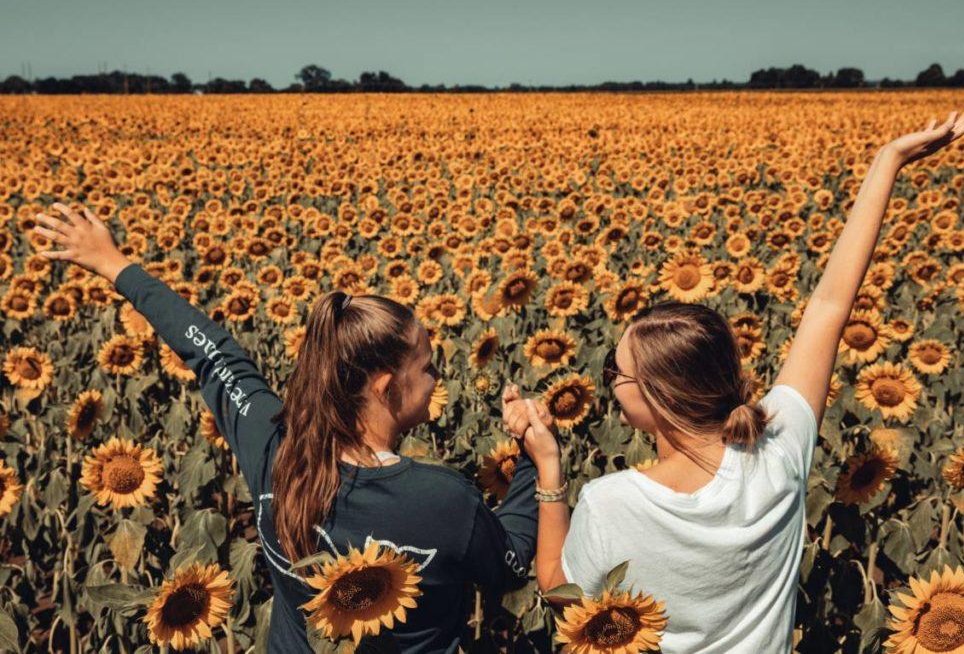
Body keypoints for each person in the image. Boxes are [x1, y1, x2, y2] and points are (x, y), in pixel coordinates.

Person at [504, 110, 964, 652]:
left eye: (616, 371)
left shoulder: (611, 501)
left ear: (654, 395)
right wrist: (888, 161)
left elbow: (559, 592)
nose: (609, 380)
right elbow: (828, 308)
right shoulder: (778, 452)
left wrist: (548, 468)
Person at [30, 204, 564, 653]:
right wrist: (537, 463)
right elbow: (513, 563)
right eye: (426, 366)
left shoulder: (273, 443)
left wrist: (115, 264)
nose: (437, 376)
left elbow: (213, 354)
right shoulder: (443, 499)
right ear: (385, 387)